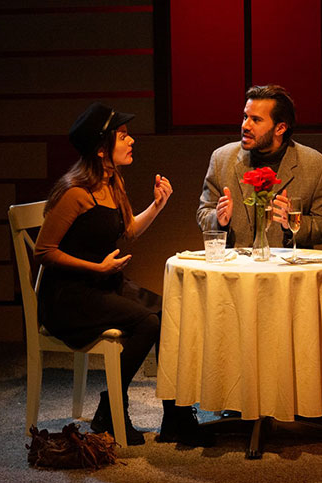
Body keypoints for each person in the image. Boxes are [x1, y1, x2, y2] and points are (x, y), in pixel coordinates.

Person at [34, 102, 213, 447]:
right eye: (123, 135)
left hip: (104, 284)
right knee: (148, 322)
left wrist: (158, 205)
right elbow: (43, 252)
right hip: (69, 297)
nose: (131, 141)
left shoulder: (111, 180)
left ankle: (175, 414)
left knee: (169, 312)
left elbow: (128, 229)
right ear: (101, 149)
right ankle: (111, 407)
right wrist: (96, 267)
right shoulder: (75, 192)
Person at [197, 84, 322, 249]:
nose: (245, 126)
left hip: (286, 269)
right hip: (237, 268)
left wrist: (292, 223)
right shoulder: (221, 159)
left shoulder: (316, 165)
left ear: (280, 128)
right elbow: (203, 213)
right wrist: (218, 220)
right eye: (244, 117)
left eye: (255, 120)